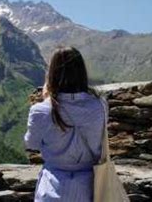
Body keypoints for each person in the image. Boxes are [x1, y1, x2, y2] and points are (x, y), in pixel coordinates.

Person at [24, 46, 107, 202]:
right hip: (89, 188)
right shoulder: (100, 105)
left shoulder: (40, 110)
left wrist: (46, 100)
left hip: (52, 188)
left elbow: (31, 143)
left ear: (52, 74)